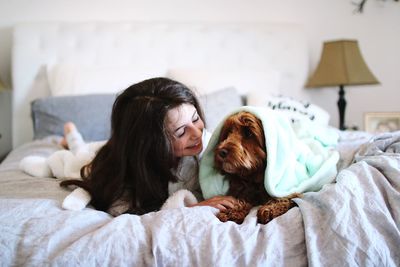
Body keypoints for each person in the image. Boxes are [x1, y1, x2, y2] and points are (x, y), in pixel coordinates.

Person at [60, 77, 236, 216]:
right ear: (151, 144)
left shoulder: (208, 142)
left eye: (196, 118)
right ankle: (71, 135)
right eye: (181, 132)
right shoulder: (121, 174)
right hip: (107, 153)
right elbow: (121, 211)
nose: (197, 134)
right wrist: (194, 208)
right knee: (80, 155)